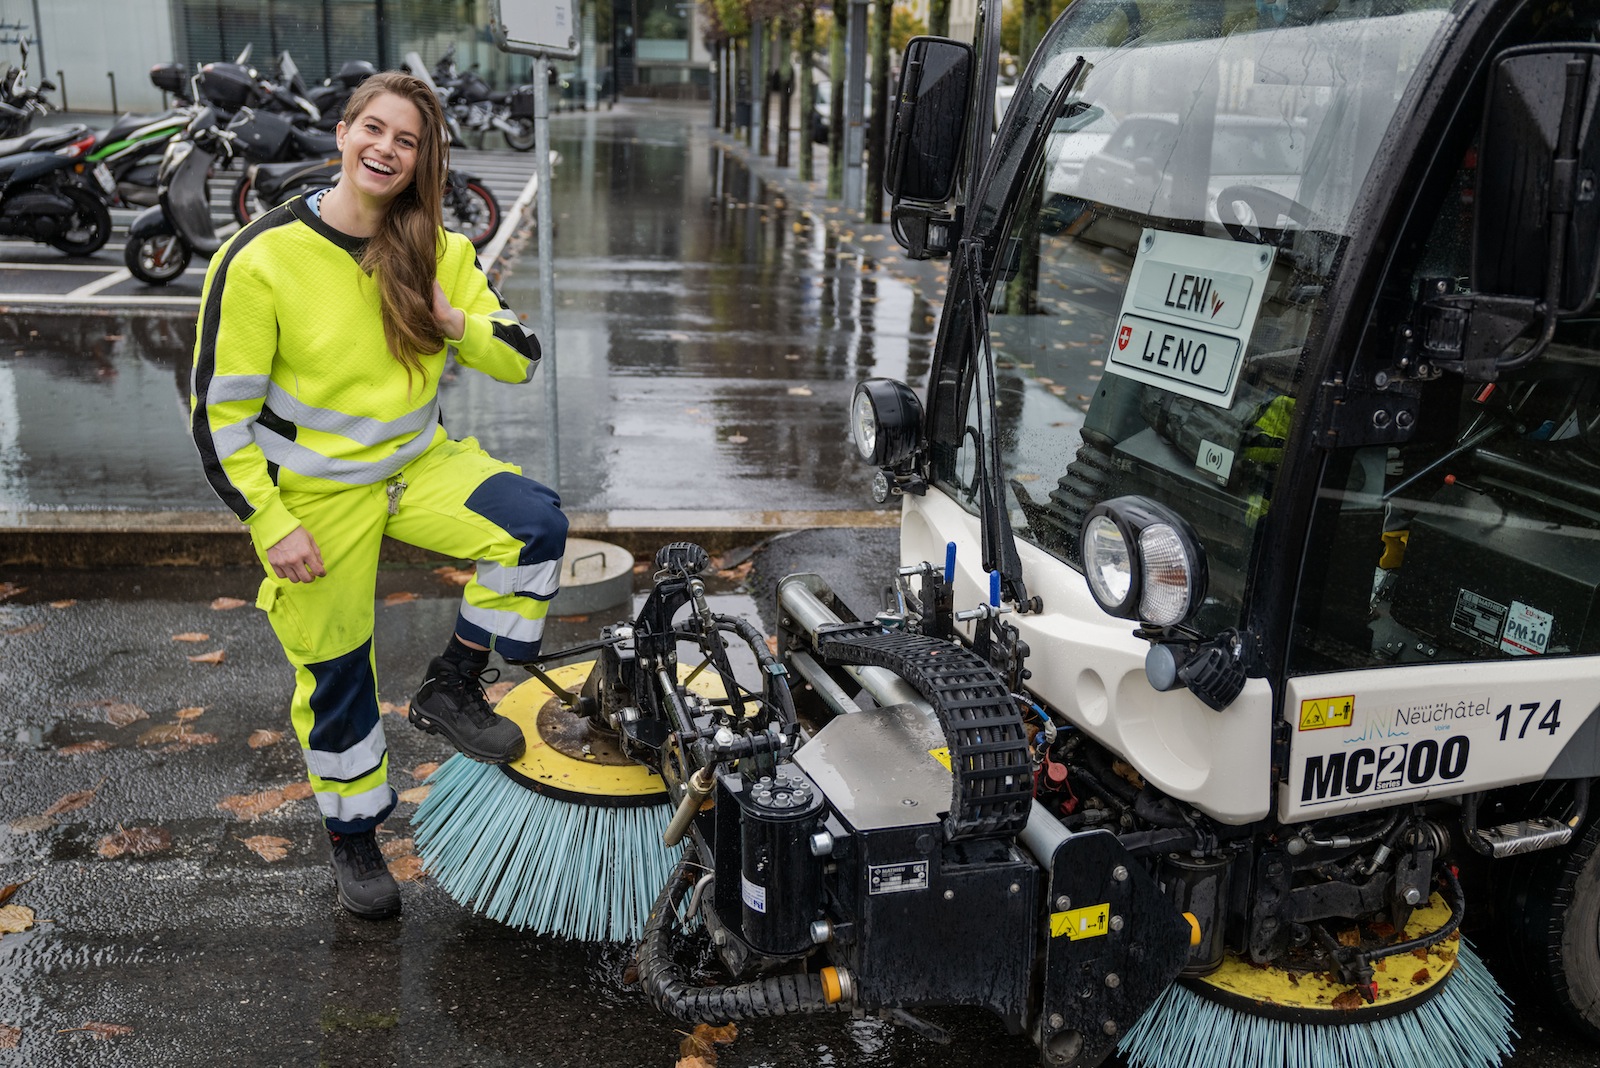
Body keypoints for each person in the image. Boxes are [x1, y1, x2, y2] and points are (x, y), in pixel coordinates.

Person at [189, 71, 568, 920]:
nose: (386, 149)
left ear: (422, 160)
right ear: (342, 134)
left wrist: (455, 320)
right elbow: (219, 419)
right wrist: (269, 521)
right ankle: (354, 837)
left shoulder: (438, 245)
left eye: (407, 141)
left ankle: (453, 686)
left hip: (417, 465)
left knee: (535, 527)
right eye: (375, 129)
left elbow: (521, 355)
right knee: (336, 681)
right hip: (317, 497)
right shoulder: (261, 257)